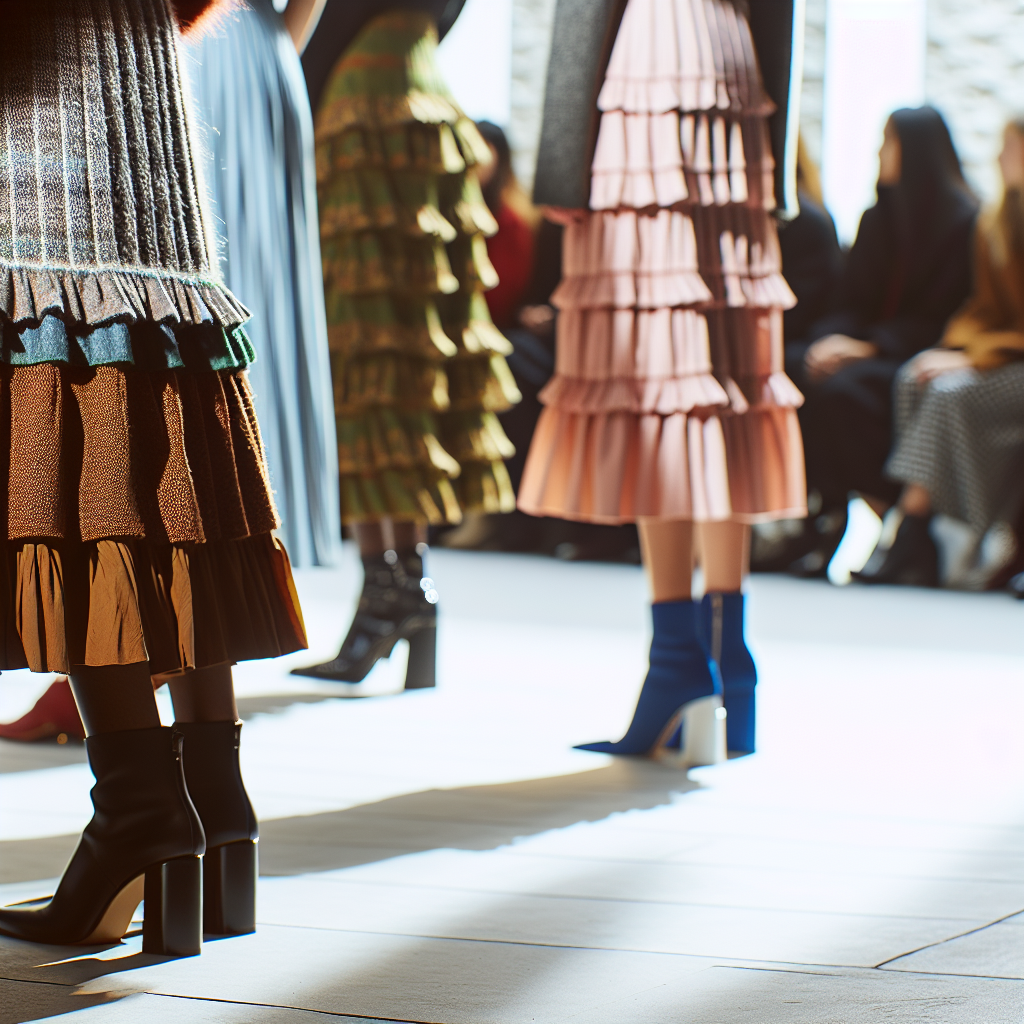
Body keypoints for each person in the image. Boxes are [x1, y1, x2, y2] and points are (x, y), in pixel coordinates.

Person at [0, 0, 306, 951]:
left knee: (75, 450)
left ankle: (139, 808)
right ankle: (212, 800)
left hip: (40, 91)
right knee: (158, 451)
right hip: (146, 104)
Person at [518, 0, 807, 760]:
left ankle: (680, 660)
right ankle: (728, 661)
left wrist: (559, 161)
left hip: (642, 66)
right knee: (721, 378)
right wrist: (778, 149)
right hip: (734, 75)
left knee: (651, 375)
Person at [292, 3, 520, 688]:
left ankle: (388, 593)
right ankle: (407, 590)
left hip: (362, 94)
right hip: (422, 85)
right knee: (409, 351)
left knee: (367, 356)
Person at [785, 107, 978, 576]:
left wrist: (868, 346)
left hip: (918, 351)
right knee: (796, 370)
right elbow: (851, 297)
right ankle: (820, 515)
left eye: (887, 143)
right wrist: (832, 342)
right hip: (868, 347)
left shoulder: (962, 223)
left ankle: (893, 518)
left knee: (845, 394)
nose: (878, 154)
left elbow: (943, 317)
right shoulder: (878, 219)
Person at [186, 0, 341, 570]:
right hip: (258, 51)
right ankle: (258, 524)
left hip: (193, 52)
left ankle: (203, 527)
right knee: (257, 295)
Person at [855, 117, 1024, 588]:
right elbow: (985, 308)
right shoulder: (994, 222)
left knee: (951, 394)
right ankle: (926, 531)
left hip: (1010, 361)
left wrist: (975, 358)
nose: (999, 157)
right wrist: (956, 350)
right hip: (1002, 356)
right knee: (916, 377)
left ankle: (917, 523)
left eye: (1010, 147)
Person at [751, 136, 843, 572]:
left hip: (798, 345)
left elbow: (807, 306)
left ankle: (802, 519)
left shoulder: (808, 222)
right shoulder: (743, 219)